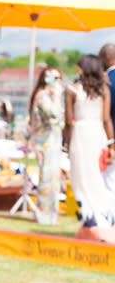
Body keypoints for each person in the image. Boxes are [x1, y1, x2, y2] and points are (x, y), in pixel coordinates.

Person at [65, 54, 115, 243]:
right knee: (97, 178)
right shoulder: (104, 90)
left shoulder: (72, 90)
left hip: (81, 134)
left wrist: (67, 143)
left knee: (81, 177)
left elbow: (68, 122)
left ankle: (91, 218)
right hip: (99, 134)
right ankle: (104, 219)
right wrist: (111, 144)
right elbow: (106, 120)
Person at [28, 67, 64, 225]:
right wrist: (57, 96)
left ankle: (49, 215)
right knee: (47, 180)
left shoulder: (46, 95)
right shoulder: (43, 95)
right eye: (56, 78)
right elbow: (53, 114)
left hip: (52, 141)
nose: (59, 82)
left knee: (52, 179)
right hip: (45, 142)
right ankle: (44, 215)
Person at [98, 43, 115, 198]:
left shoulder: (106, 82)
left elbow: (105, 115)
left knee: (109, 180)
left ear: (107, 58)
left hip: (110, 135)